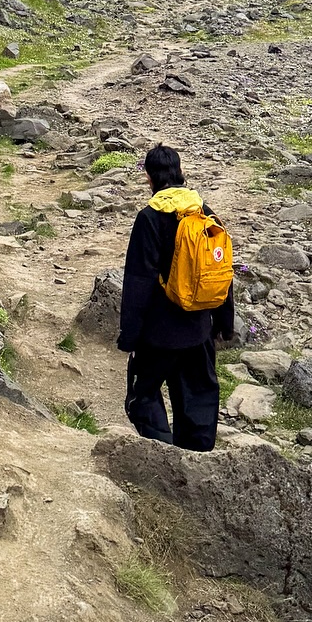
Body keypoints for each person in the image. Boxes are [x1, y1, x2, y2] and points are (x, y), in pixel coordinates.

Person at [117, 143, 233, 450]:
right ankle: (195, 460)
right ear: (181, 172)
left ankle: (163, 454)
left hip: (159, 336)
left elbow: (138, 282)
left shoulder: (149, 218)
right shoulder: (203, 212)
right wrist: (224, 322)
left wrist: (129, 336)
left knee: (144, 397)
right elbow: (220, 270)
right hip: (198, 331)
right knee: (199, 399)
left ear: (149, 178)